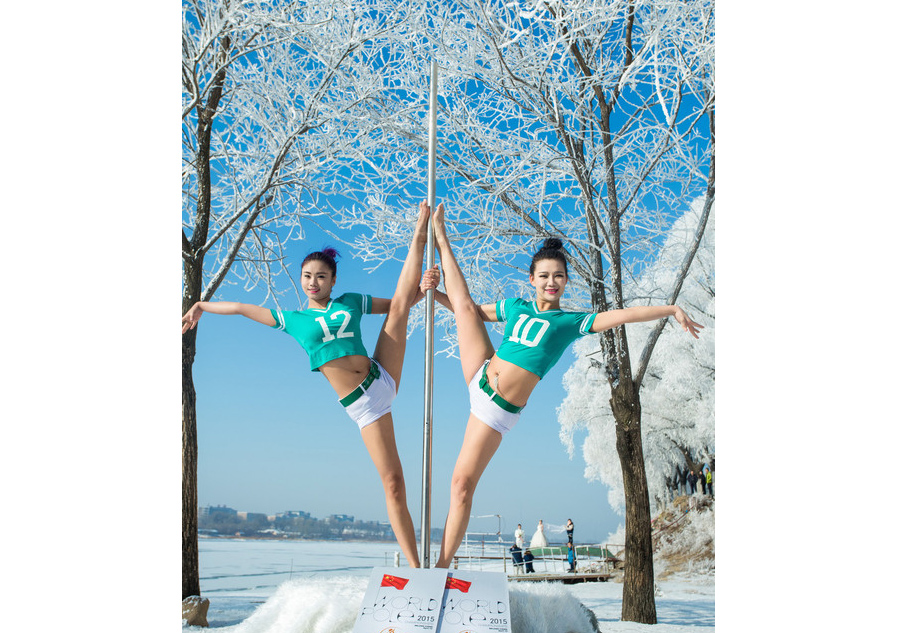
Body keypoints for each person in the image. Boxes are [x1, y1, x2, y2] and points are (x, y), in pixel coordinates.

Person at [420, 201, 703, 568]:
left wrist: (669, 309)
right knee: (465, 305)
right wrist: (433, 293)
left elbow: (620, 315)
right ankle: (441, 236)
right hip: (481, 373)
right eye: (544, 275)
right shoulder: (517, 306)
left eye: (558, 276)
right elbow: (468, 312)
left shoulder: (568, 321)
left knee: (461, 487)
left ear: (565, 281)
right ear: (532, 279)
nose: (551, 282)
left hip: (496, 410)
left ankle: (441, 568)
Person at [181, 202, 433, 568]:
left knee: (399, 311)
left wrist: (424, 289)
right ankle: (415, 567)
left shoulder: (350, 301)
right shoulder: (293, 320)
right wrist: (200, 305)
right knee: (393, 482)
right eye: (307, 276)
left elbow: (400, 302)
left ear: (333, 281)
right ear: (301, 280)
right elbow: (239, 307)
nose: (314, 282)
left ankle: (419, 235)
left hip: (382, 373)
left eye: (321, 276)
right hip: (366, 405)